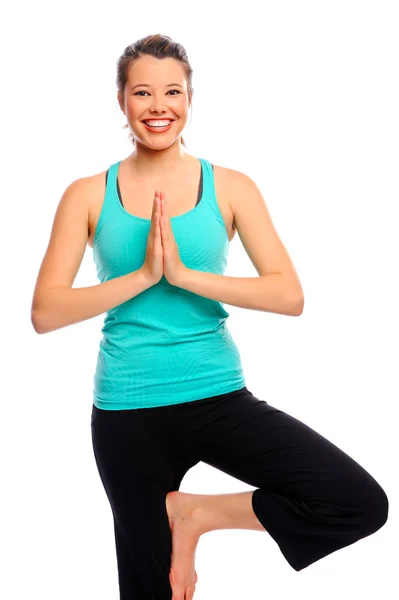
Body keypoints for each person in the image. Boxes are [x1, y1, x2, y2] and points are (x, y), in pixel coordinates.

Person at [31, 33, 389, 600]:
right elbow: (45, 311)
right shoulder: (85, 195)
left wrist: (186, 276)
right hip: (127, 413)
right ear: (121, 101)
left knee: (357, 501)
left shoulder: (230, 187)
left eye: (173, 91)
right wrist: (143, 277)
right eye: (143, 92)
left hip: (217, 396)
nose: (159, 106)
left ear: (190, 98)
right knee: (155, 592)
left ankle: (197, 515)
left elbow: (289, 295)